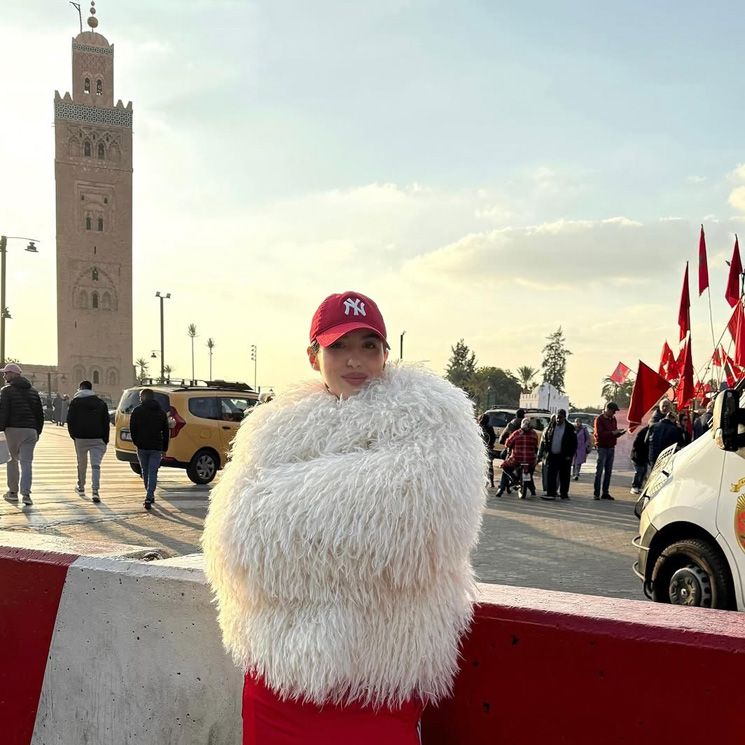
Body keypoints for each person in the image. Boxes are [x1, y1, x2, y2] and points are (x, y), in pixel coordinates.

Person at [202, 291, 485, 745]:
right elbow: (234, 538)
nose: (355, 361)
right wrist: (346, 522)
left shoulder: (433, 420)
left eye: (368, 346)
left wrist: (284, 521)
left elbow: (422, 530)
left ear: (387, 354)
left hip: (378, 679)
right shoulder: (273, 427)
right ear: (314, 356)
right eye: (338, 346)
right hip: (281, 679)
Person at [0, 363, 44, 506]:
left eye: (6, 373)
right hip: (30, 430)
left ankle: (12, 492)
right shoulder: (34, 391)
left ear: (13, 374)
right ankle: (26, 494)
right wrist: (37, 431)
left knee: (12, 461)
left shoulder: (6, 391)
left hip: (13, 429)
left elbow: (3, 411)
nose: (4, 375)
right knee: (27, 463)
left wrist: (1, 429)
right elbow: (39, 414)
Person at [66, 380, 110, 502]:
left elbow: (70, 420)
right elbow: (105, 423)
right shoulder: (101, 403)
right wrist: (105, 439)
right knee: (96, 465)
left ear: (80, 388)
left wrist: (73, 435)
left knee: (81, 463)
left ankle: (81, 487)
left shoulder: (75, 402)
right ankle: (95, 491)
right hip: (97, 438)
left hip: (80, 438)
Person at [129, 389, 169, 510]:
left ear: (143, 397)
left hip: (142, 446)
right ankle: (149, 494)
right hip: (156, 446)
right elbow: (166, 432)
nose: (139, 398)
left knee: (144, 471)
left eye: (140, 396)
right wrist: (164, 448)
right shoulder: (161, 412)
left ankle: (149, 494)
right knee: (153, 472)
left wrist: (136, 442)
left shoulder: (137, 411)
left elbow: (132, 429)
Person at [539, 409, 577, 500]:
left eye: (560, 417)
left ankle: (564, 494)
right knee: (551, 475)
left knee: (564, 476)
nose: (558, 419)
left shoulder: (570, 428)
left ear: (564, 417)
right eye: (557, 417)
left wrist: (570, 455)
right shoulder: (551, 426)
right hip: (552, 455)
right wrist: (543, 453)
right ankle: (551, 493)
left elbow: (574, 444)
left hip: (564, 456)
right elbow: (545, 440)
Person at [499, 417, 539, 498]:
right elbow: (536, 445)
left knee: (504, 466)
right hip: (531, 459)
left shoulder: (516, 433)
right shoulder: (534, 434)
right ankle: (532, 490)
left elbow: (507, 444)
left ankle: (503, 487)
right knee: (530, 473)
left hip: (516, 459)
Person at [593, 402, 625, 500]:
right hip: (602, 447)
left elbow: (613, 433)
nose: (614, 413)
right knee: (599, 471)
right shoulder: (599, 419)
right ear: (607, 409)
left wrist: (618, 433)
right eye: (613, 411)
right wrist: (613, 433)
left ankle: (605, 492)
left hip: (611, 447)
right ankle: (596, 493)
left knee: (608, 472)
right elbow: (599, 434)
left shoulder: (613, 419)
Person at [630, 424, 650, 495]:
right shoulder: (645, 431)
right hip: (638, 455)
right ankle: (635, 486)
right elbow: (636, 444)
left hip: (643, 456)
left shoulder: (649, 430)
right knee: (639, 471)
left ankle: (638, 487)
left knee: (644, 471)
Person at [478, 413, 496, 488]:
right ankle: (492, 483)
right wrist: (491, 445)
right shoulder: (490, 427)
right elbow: (493, 438)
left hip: (479, 449)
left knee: (479, 466)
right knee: (490, 466)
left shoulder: (478, 427)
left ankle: (480, 481)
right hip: (489, 448)